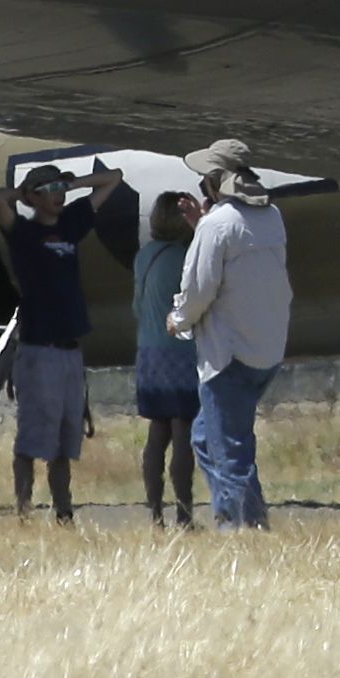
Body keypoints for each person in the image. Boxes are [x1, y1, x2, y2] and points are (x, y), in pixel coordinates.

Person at [168, 138, 294, 529]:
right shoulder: (271, 216)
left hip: (229, 354)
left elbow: (199, 289)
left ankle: (242, 531)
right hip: (266, 347)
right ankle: (247, 522)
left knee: (230, 451)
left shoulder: (217, 224)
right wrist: (201, 226)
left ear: (212, 180)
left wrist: (178, 319)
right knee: (206, 438)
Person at [1, 162, 122, 521]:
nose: (58, 195)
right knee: (32, 439)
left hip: (70, 348)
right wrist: (25, 194)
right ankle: (23, 510)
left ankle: (63, 511)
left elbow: (112, 179)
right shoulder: (23, 232)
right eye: (49, 189)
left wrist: (72, 182)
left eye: (60, 188)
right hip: (40, 349)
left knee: (65, 441)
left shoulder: (71, 223)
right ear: (35, 195)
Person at [98, 186, 204, 525]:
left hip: (148, 351)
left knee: (158, 432)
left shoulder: (145, 255)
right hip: (180, 351)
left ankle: (155, 511)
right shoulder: (184, 257)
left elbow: (137, 305)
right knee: (182, 429)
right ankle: (185, 513)